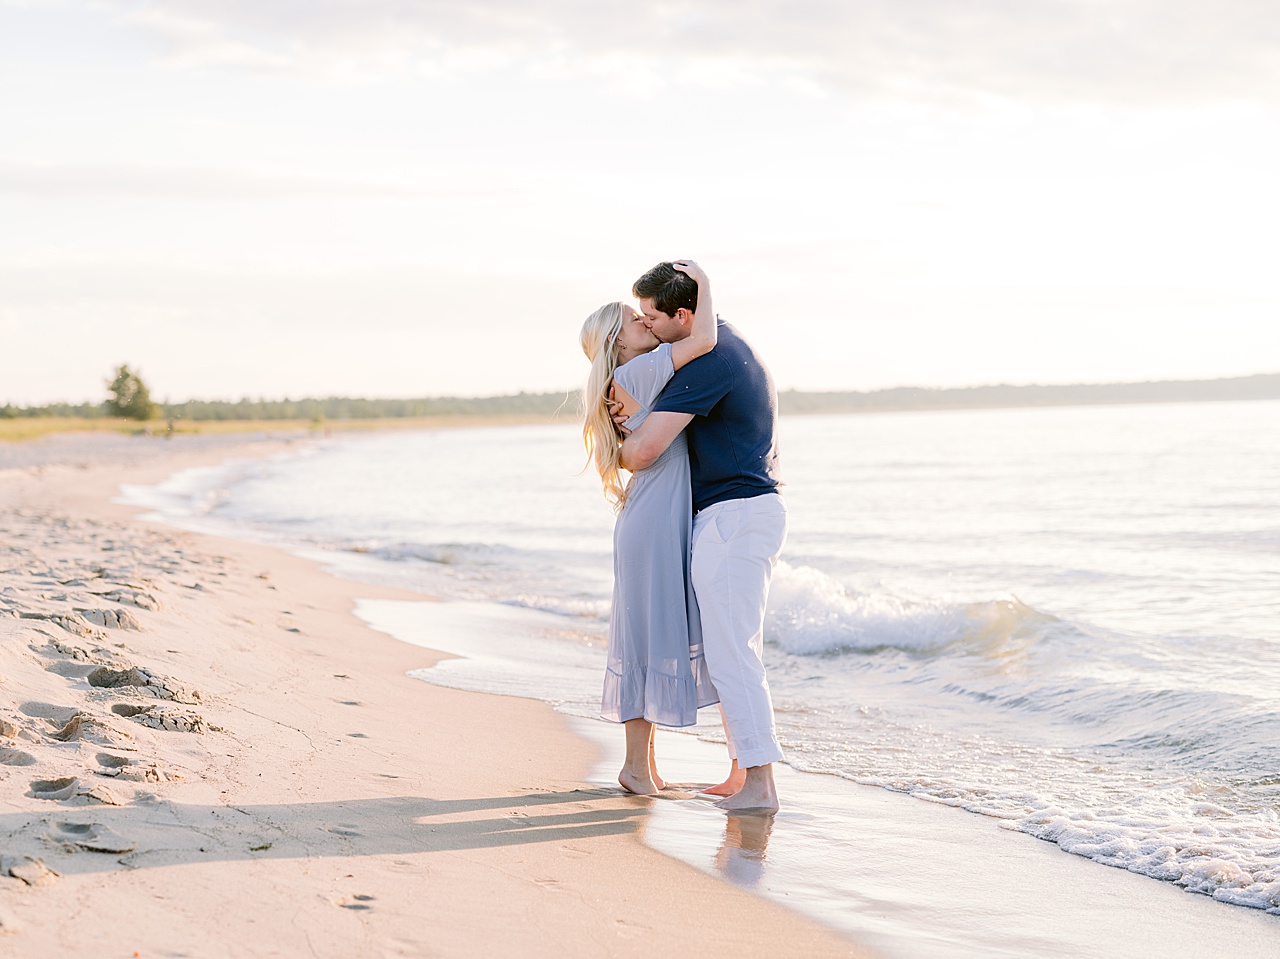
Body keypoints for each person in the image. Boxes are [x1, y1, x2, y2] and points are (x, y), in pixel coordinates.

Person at [618, 262, 787, 813]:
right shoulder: (726, 345)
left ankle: (760, 785)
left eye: (651, 317)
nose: (647, 326)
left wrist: (610, 447)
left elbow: (644, 452)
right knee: (731, 648)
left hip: (734, 517)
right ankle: (743, 776)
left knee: (732, 651)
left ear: (683, 316)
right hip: (741, 514)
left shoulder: (708, 360)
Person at [579, 260, 721, 795]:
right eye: (636, 320)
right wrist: (703, 282)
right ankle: (636, 768)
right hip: (653, 524)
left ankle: (646, 767)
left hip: (650, 521)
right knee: (643, 644)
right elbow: (704, 337)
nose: (648, 322)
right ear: (621, 338)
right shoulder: (644, 368)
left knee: (644, 640)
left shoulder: (632, 375)